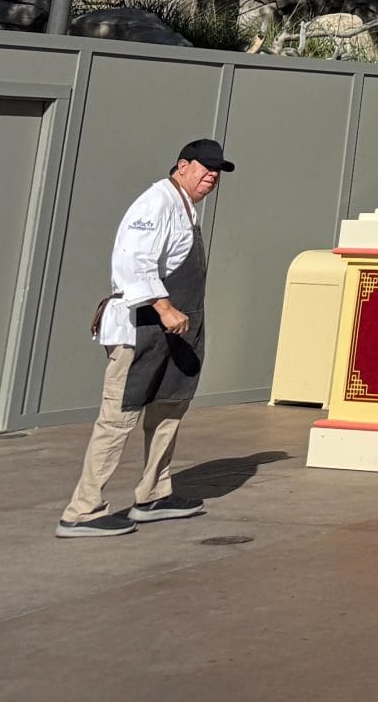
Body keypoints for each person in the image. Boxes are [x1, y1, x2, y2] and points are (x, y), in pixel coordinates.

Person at [58, 139, 232, 537]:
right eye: (205, 168)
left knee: (168, 410)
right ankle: (82, 510)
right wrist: (165, 307)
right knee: (118, 418)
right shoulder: (157, 203)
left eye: (217, 171)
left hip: (176, 333)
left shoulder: (186, 208)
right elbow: (134, 260)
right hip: (143, 328)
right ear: (182, 166)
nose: (212, 176)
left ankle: (154, 494)